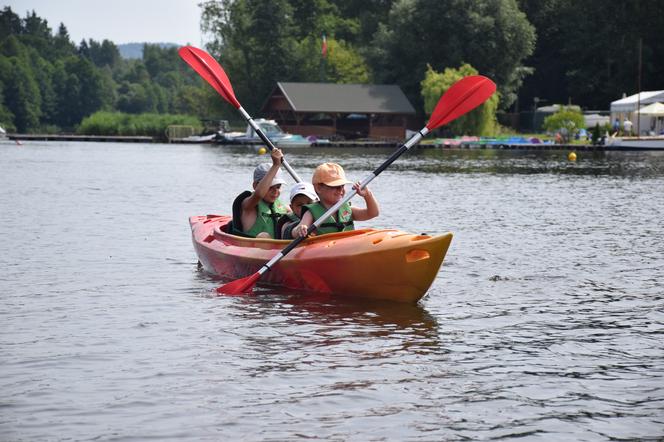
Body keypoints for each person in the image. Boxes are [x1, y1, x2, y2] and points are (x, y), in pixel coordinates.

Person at [292, 162, 379, 238]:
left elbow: (373, 213)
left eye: (342, 186)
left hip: (348, 247)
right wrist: (300, 229)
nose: (340, 190)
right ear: (318, 188)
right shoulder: (310, 213)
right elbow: (295, 231)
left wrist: (367, 195)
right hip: (324, 250)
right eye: (335, 186)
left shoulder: (348, 210)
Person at [230, 148, 289, 238]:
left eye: (278, 187)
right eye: (270, 187)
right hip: (253, 248)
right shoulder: (249, 205)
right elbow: (259, 194)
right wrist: (276, 165)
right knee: (264, 236)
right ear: (255, 185)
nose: (275, 191)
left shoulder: (282, 207)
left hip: (279, 248)